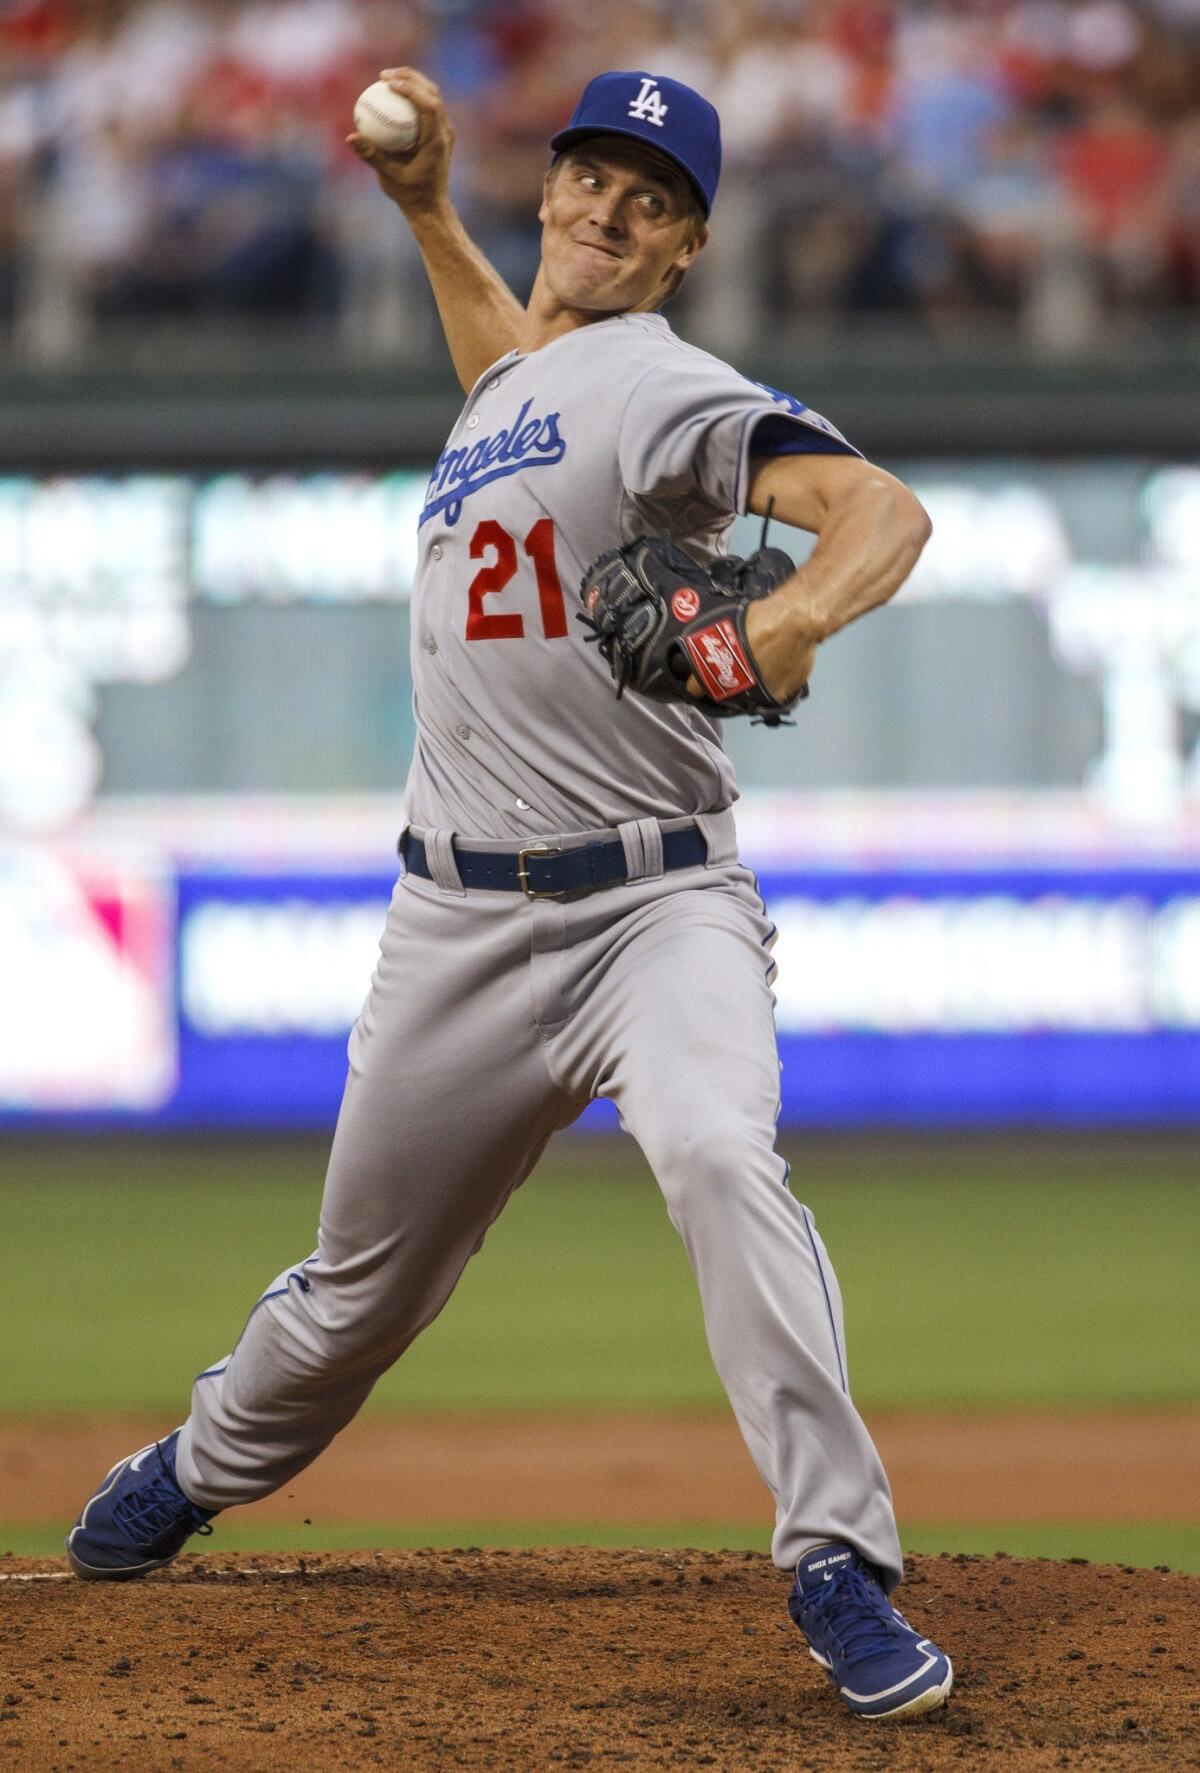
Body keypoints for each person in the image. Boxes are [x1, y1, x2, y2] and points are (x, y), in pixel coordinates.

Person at [67, 67, 952, 1723]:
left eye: (649, 196)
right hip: (457, 924)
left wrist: (785, 623)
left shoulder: (670, 384)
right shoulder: (527, 389)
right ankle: (198, 1462)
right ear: (550, 190)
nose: (606, 209)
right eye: (588, 176)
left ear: (685, 244)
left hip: (655, 909)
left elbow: (877, 511)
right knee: (350, 1299)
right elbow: (513, 382)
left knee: (712, 1149)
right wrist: (420, 214)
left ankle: (837, 1555)